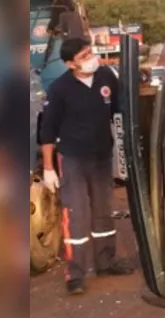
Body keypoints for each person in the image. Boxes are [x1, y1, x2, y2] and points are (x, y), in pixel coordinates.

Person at [39, 37, 134, 295]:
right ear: (71, 64)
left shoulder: (105, 77)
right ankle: (76, 273)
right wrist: (49, 167)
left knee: (104, 211)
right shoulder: (60, 89)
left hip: (101, 157)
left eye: (91, 52)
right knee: (77, 216)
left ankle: (106, 262)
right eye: (84, 56)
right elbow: (47, 132)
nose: (92, 58)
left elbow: (120, 111)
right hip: (72, 160)